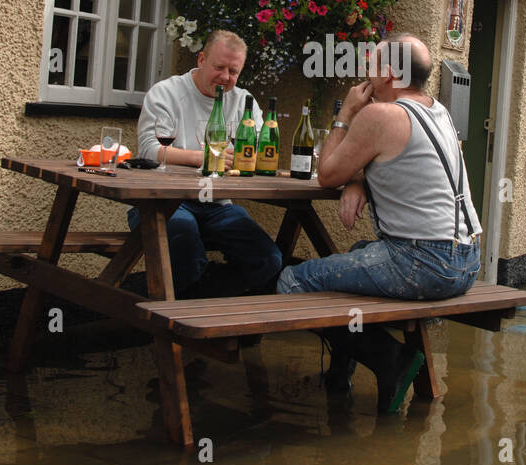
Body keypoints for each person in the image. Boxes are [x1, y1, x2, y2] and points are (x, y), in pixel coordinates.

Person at [276, 32, 482, 414]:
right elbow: (397, 163)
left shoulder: (379, 115)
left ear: (388, 73)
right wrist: (358, 182)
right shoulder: (437, 111)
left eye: (370, 63)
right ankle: (339, 377)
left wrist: (346, 114)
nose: (362, 71)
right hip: (467, 259)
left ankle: (392, 360)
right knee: (356, 253)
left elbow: (326, 174)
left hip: (423, 263)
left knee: (293, 281)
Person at [132, 30, 282, 298]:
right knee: (186, 249)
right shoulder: (166, 93)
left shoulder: (243, 102)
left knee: (268, 259)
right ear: (201, 59)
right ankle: (179, 322)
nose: (225, 77)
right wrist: (204, 158)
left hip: (217, 204)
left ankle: (207, 311)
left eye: (233, 71)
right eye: (219, 67)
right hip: (163, 200)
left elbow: (260, 150)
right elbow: (149, 150)